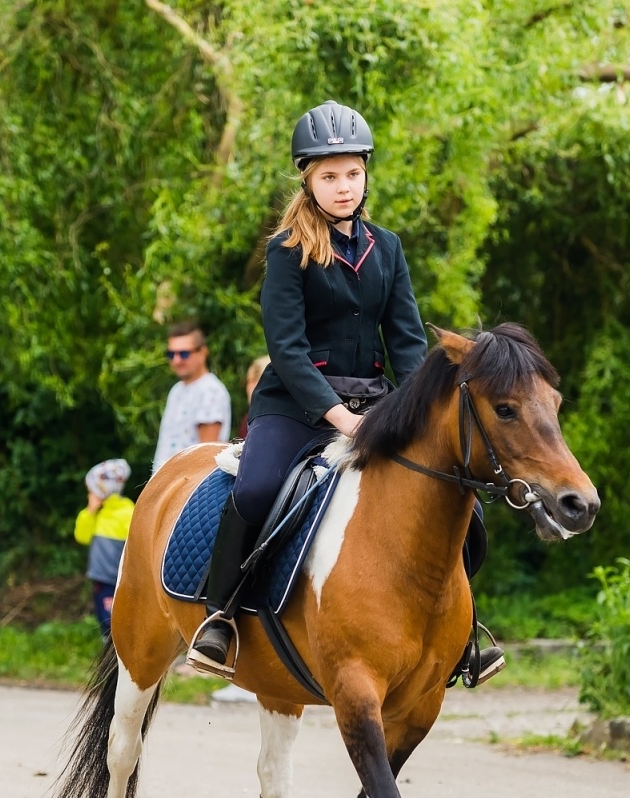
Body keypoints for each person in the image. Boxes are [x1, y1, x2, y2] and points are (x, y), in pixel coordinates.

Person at [185, 101, 504, 686]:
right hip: (297, 406)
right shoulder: (286, 251)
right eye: (329, 176)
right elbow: (287, 348)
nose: (342, 186)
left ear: (365, 174)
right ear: (307, 179)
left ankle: (462, 634)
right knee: (255, 489)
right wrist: (336, 415)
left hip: (377, 403)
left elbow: (408, 342)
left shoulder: (388, 248)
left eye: (352, 173)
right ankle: (221, 616)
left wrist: (416, 411)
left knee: (464, 505)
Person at [153, 320, 232, 473]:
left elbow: (206, 456)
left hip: (188, 488)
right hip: (165, 486)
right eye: (171, 354)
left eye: (184, 353)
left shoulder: (210, 390)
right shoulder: (176, 390)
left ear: (202, 352)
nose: (177, 360)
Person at [74, 459, 134, 638]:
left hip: (118, 582)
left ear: (102, 490)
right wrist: (89, 512)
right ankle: (111, 658)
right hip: (100, 581)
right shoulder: (98, 513)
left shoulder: (128, 512)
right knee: (104, 622)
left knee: (115, 624)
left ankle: (119, 660)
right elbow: (81, 536)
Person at [238, 355, 270, 438]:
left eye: (255, 379)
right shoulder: (248, 418)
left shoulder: (263, 419)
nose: (249, 387)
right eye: (249, 381)